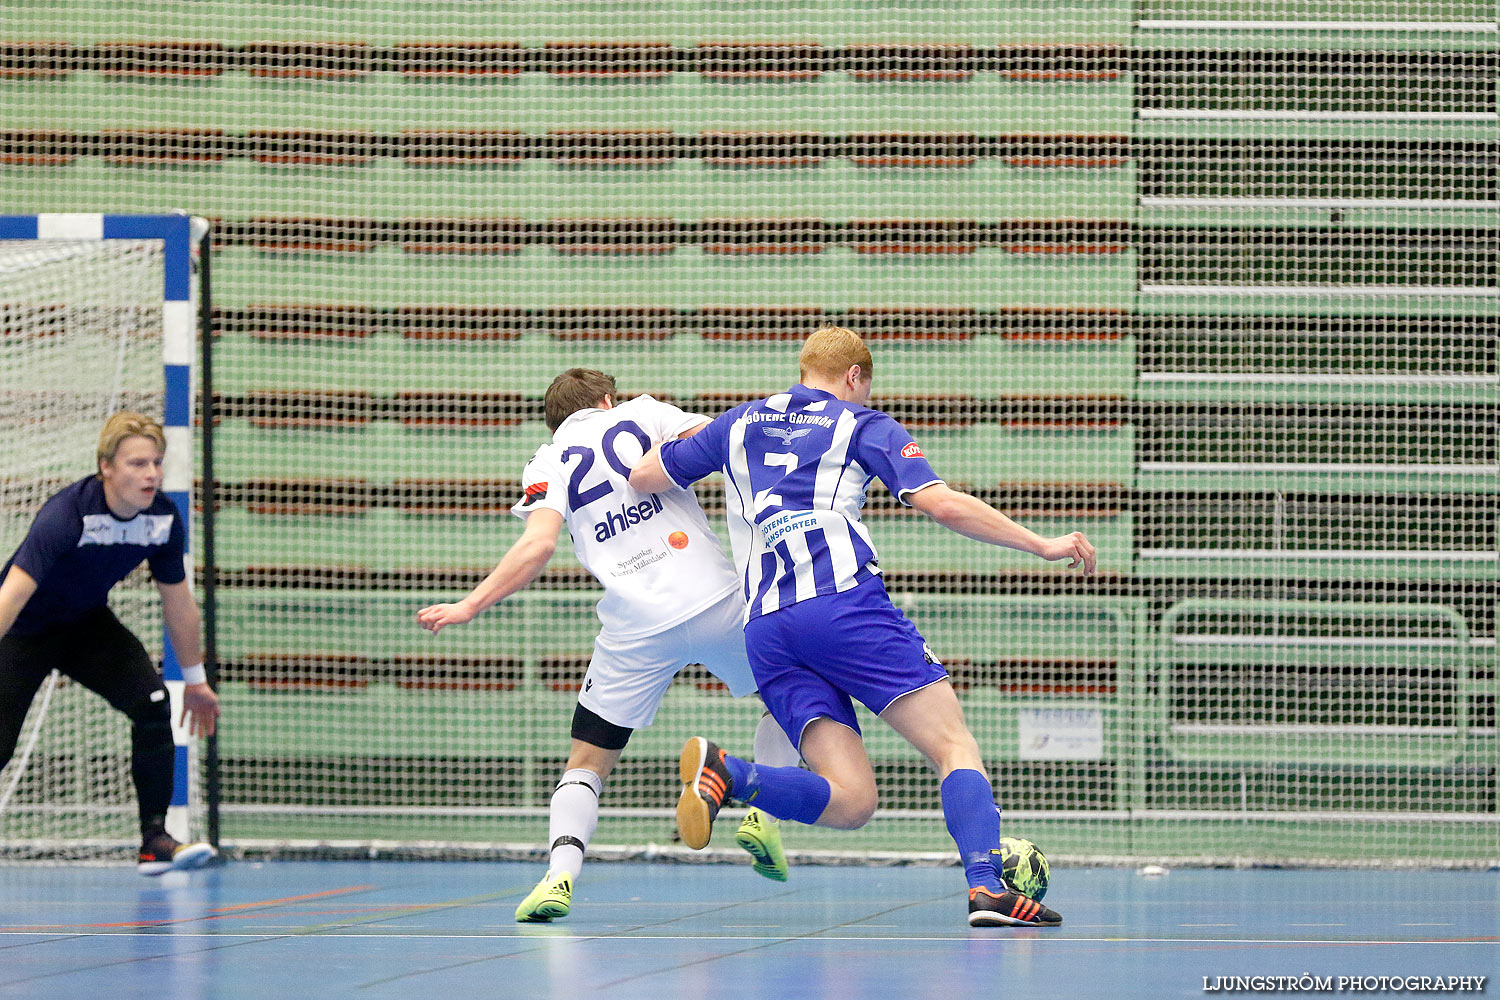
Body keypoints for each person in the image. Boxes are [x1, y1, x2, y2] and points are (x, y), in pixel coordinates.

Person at [628, 325, 1097, 927]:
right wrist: (1042, 543)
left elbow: (644, 476)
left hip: (767, 627)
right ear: (855, 377)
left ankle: (731, 774)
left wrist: (701, 435)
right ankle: (986, 887)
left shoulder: (738, 424)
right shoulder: (863, 425)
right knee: (953, 744)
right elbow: (941, 502)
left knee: (851, 801)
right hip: (841, 604)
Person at [417, 369, 800, 923]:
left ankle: (558, 878)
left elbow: (538, 545)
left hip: (634, 626)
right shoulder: (643, 413)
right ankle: (764, 813)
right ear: (606, 400)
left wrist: (469, 605)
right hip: (716, 600)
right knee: (794, 693)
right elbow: (725, 440)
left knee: (587, 762)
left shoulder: (547, 462)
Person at [0, 412, 220, 875]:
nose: (152, 474)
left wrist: (196, 681)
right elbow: (13, 594)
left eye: (157, 463)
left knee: (154, 704)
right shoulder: (67, 514)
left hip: (84, 625)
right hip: (24, 629)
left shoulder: (161, 519)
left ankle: (155, 841)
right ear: (107, 467)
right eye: (138, 464)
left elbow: (179, 604)